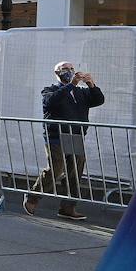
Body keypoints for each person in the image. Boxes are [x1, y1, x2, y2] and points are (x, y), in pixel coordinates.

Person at [25, 61, 105, 221]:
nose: (69, 71)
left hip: (75, 135)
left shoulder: (81, 92)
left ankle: (68, 207)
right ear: (57, 73)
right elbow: (52, 102)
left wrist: (91, 85)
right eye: (65, 69)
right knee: (56, 168)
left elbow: (98, 100)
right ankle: (33, 197)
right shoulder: (50, 90)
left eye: (71, 68)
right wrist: (71, 85)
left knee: (75, 172)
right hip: (56, 135)